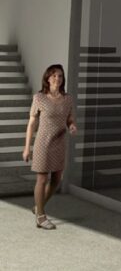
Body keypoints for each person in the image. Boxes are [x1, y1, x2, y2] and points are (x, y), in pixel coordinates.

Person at [22, 64, 77, 230]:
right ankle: (40, 216)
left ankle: (38, 206)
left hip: (60, 142)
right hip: (43, 142)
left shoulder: (68, 99)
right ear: (47, 78)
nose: (57, 78)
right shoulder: (39, 98)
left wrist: (72, 125)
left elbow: (70, 119)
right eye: (53, 75)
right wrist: (27, 147)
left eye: (60, 76)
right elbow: (32, 123)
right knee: (42, 179)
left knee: (57, 179)